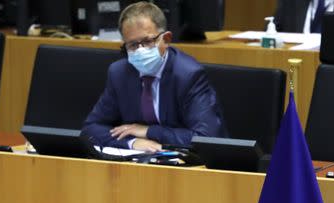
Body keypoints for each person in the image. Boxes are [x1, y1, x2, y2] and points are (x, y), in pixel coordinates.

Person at [82, 1, 226, 151]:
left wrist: (148, 131)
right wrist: (132, 143)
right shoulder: (119, 73)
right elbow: (91, 128)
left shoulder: (188, 75)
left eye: (147, 41)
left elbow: (207, 138)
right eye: (132, 45)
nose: (140, 50)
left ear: (166, 39)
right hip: (140, 161)